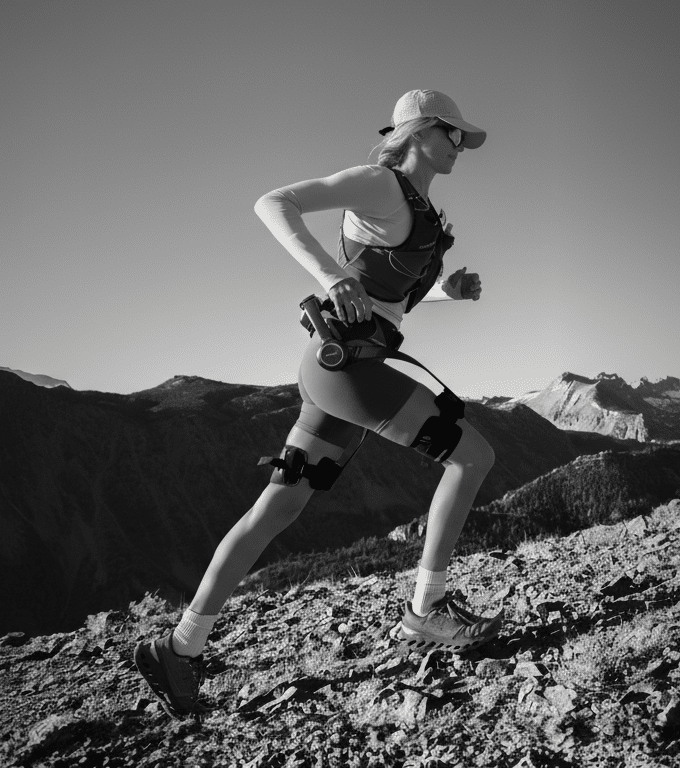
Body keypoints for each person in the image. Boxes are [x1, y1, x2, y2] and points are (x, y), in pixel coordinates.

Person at [135, 89, 499, 718]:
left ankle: (179, 648)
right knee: (471, 457)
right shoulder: (381, 184)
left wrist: (444, 292)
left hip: (350, 363)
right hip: (349, 363)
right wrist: (332, 278)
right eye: (454, 133)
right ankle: (426, 609)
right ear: (418, 131)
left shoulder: (418, 207)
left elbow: (387, 298)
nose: (460, 144)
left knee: (278, 507)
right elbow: (271, 203)